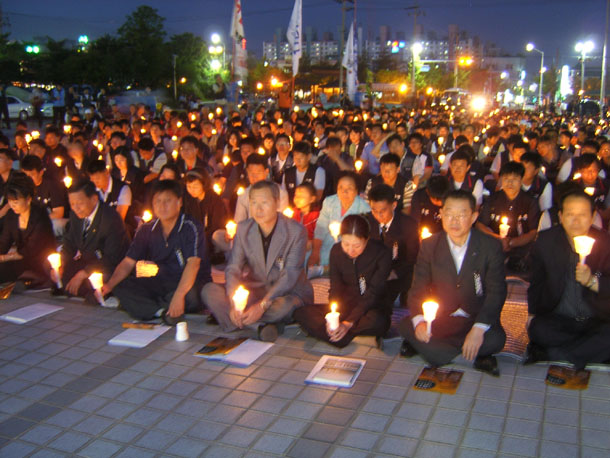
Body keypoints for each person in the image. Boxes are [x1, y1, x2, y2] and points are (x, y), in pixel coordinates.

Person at [399, 190, 507, 375]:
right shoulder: (430, 245)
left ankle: (437, 352)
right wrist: (420, 322)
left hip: (474, 316)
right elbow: (418, 287)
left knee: (496, 339)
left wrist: (478, 329)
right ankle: (470, 355)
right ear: (441, 214)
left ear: (473, 217)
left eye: (461, 215)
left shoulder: (490, 246)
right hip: (441, 318)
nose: (454, 221)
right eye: (449, 214)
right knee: (407, 325)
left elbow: (496, 292)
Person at [201, 180, 313, 341]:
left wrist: (262, 305)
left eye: (264, 203)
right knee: (209, 290)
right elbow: (233, 268)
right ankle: (259, 327)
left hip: (286, 293)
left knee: (283, 307)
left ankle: (240, 323)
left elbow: (290, 276)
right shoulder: (244, 229)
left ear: (277, 202)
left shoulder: (296, 231)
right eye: (253, 203)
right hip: (255, 289)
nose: (258, 209)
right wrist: (234, 303)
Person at [102, 179, 211, 324]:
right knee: (121, 286)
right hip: (162, 280)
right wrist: (109, 286)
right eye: (157, 201)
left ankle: (149, 306)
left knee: (191, 296)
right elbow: (128, 262)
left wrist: (179, 295)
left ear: (179, 202)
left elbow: (193, 264)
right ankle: (161, 312)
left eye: (167, 201)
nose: (162, 206)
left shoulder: (191, 227)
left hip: (190, 282)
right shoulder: (147, 229)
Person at [526, 190, 610, 369]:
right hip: (559, 318)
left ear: (592, 217)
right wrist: (532, 313)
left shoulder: (605, 243)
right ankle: (585, 353)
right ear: (561, 216)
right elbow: (537, 281)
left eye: (582, 215)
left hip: (597, 318)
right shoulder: (546, 241)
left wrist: (592, 282)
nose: (576, 221)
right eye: (570, 214)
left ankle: (560, 355)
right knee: (538, 330)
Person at [294, 214, 392, 347]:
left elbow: (373, 294)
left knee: (379, 322)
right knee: (301, 313)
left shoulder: (382, 253)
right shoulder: (336, 251)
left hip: (370, 307)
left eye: (356, 245)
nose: (350, 250)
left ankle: (336, 335)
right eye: (346, 244)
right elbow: (335, 288)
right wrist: (333, 318)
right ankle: (346, 335)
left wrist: (348, 323)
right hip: (345, 307)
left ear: (367, 239)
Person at [61, 179, 130, 302]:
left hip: (108, 267)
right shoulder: (75, 215)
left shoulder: (110, 219)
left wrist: (84, 273)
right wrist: (61, 263)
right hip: (87, 262)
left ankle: (93, 292)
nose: (76, 208)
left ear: (94, 199)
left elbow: (112, 258)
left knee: (97, 280)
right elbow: (69, 243)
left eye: (80, 203)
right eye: (72, 204)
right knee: (54, 269)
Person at [477, 161, 540, 275]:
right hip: (494, 245)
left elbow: (533, 232)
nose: (510, 183)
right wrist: (498, 239)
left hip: (520, 247)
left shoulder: (530, 201)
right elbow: (480, 225)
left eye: (514, 179)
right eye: (506, 179)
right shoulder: (493, 199)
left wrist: (511, 243)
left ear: (521, 180)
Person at [366, 184, 419, 308]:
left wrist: (395, 273)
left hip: (399, 273)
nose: (378, 215)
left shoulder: (408, 224)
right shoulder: (367, 221)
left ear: (394, 205)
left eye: (383, 211)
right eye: (374, 210)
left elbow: (412, 257)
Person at [0, 172, 56, 286]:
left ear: (28, 199)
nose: (12, 205)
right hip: (20, 258)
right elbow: (4, 241)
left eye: (16, 202)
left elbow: (33, 248)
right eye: (10, 201)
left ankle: (38, 277)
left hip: (40, 258)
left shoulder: (40, 215)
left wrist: (6, 258)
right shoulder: (12, 215)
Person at [309, 172, 370, 271]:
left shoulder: (364, 208)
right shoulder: (329, 202)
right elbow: (321, 228)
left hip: (350, 248)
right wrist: (315, 252)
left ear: (356, 191)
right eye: (341, 188)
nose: (344, 192)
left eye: (349, 188)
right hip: (326, 243)